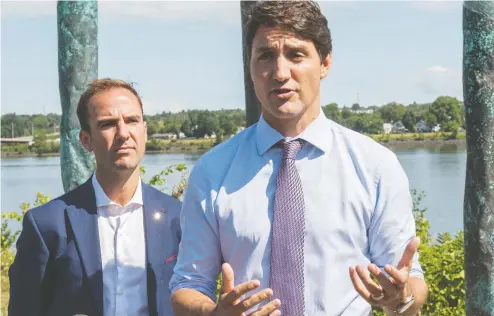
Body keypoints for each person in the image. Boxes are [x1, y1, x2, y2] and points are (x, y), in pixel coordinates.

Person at [170, 1, 428, 315]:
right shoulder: (212, 171)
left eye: (296, 54)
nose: (280, 72)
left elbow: (410, 282)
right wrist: (213, 314)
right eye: (265, 55)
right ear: (249, 66)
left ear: (325, 64)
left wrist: (400, 299)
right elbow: (187, 286)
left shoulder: (375, 166)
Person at [8, 78, 182, 316]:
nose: (123, 133)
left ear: (144, 130)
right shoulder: (46, 225)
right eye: (108, 124)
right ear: (86, 140)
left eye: (132, 120)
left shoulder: (179, 217)